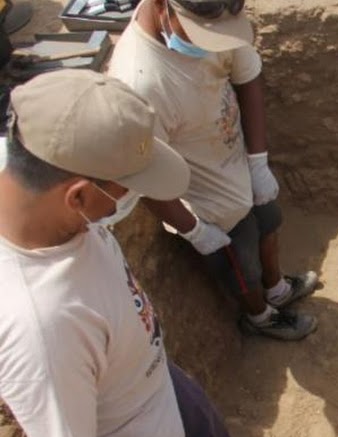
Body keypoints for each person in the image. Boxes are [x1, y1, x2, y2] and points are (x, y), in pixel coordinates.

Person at [0, 69, 233, 437]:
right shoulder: (43, 330)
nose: (130, 198)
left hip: (160, 389)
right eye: (126, 188)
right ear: (76, 197)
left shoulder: (36, 187)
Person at [108, 0, 319, 340]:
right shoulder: (140, 84)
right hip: (210, 207)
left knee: (268, 224)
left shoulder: (216, 13)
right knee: (242, 270)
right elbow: (142, 174)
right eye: (201, 36)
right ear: (163, 7)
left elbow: (248, 79)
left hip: (241, 170)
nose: (210, 45)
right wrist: (193, 230)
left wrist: (257, 162)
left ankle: (278, 288)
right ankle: (260, 317)